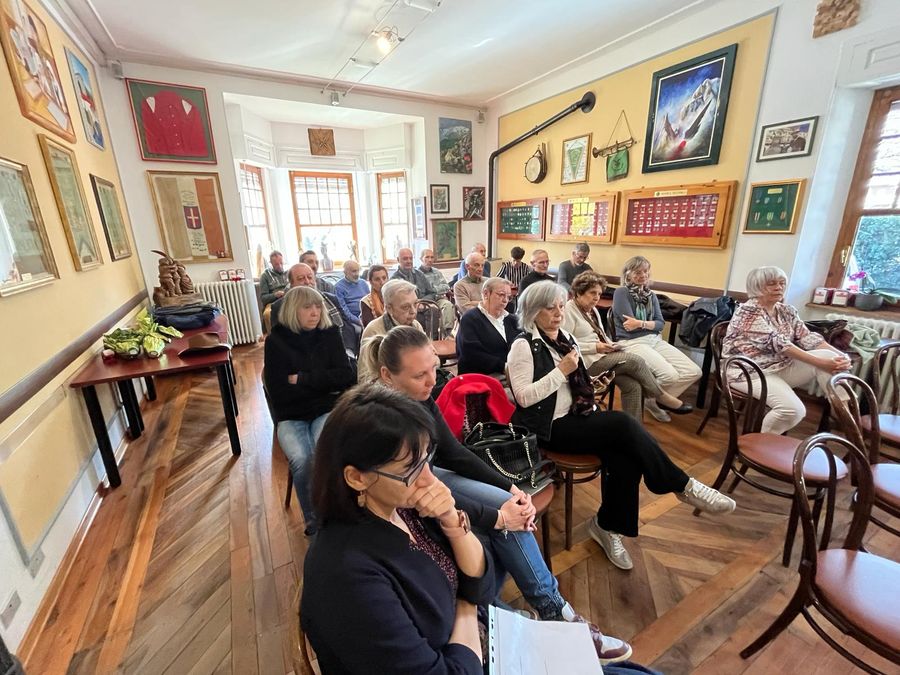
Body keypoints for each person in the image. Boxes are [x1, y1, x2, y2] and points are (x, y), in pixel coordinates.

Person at [363, 326, 634, 663]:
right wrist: (499, 516)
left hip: (431, 479)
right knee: (504, 520)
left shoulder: (419, 398)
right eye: (420, 374)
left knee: (510, 506)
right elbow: (421, 491)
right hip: (411, 495)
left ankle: (553, 611)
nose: (433, 380)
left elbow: (453, 453)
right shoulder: (380, 423)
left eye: (435, 367)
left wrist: (510, 487)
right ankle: (548, 615)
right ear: (388, 375)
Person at [508, 281, 735, 570]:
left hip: (576, 416)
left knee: (625, 456)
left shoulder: (564, 337)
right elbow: (524, 398)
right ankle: (681, 484)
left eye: (561, 306)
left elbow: (572, 379)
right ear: (532, 311)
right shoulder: (523, 346)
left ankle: (607, 527)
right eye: (549, 308)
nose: (558, 313)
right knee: (623, 423)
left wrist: (588, 384)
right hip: (549, 429)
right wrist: (560, 371)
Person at [301, 384, 494, 674]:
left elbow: (484, 581)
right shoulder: (346, 574)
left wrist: (452, 521)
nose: (429, 480)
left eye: (427, 458)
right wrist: (467, 605)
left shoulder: (404, 505)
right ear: (357, 478)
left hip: (475, 644)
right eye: (410, 468)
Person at [263, 286, 354, 532]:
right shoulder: (276, 342)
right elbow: (280, 393)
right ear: (293, 310)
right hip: (291, 415)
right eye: (307, 307)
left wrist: (302, 379)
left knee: (327, 453)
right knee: (303, 460)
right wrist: (324, 382)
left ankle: (340, 509)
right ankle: (314, 519)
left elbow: (346, 376)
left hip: (325, 409)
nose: (314, 313)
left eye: (317, 307)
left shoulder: (329, 333)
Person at [722, 266, 852, 434]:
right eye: (771, 284)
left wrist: (841, 356)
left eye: (782, 283)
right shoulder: (748, 312)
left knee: (831, 356)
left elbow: (807, 338)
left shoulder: (786, 311)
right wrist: (822, 363)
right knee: (793, 411)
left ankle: (844, 412)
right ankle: (760, 447)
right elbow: (779, 344)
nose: (779, 287)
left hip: (779, 367)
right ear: (757, 287)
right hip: (748, 372)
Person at [564, 272, 693, 421]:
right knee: (634, 360)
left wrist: (610, 344)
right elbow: (566, 344)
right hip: (584, 365)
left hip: (601, 357)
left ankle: (635, 430)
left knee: (634, 387)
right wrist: (596, 347)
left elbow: (599, 334)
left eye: (599, 294)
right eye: (592, 293)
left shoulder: (592, 310)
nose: (597, 297)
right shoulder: (569, 309)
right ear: (579, 292)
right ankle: (661, 397)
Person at [612, 256, 702, 423]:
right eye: (638, 272)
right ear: (628, 274)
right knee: (669, 375)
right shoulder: (621, 292)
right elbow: (628, 324)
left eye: (646, 271)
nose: (643, 275)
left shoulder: (651, 296)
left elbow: (660, 324)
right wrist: (648, 324)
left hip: (654, 339)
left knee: (694, 371)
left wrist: (641, 323)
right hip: (631, 342)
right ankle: (657, 400)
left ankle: (651, 401)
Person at [271, 263, 360, 357]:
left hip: (339, 351)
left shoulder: (331, 299)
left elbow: (347, 326)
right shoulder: (280, 307)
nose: (307, 282)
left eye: (310, 277)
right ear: (292, 284)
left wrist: (348, 351)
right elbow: (279, 342)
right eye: (301, 279)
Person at [358, 279, 425, 383]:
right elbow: (364, 377)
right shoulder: (373, 330)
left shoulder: (416, 326)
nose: (413, 311)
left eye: (415, 304)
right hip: (387, 393)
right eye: (405, 307)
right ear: (389, 308)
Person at [456, 278, 519, 376]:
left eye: (509, 297)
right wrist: (503, 367)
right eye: (501, 295)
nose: (505, 300)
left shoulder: (512, 320)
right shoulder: (469, 319)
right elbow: (471, 354)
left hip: (511, 373)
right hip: (479, 377)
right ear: (486, 294)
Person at [393, 247, 453, 336]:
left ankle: (432, 340)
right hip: (406, 309)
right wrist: (414, 304)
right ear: (398, 260)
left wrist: (422, 302)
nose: (409, 261)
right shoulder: (394, 280)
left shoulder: (419, 274)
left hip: (423, 305)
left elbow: (432, 292)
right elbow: (396, 302)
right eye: (405, 258)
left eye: (410, 258)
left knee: (433, 309)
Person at [418, 248, 457, 332]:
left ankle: (447, 332)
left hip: (439, 298)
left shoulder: (437, 272)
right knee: (433, 310)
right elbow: (422, 291)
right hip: (426, 300)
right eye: (427, 257)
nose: (430, 260)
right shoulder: (418, 274)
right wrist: (438, 289)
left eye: (432, 257)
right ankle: (432, 336)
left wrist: (432, 289)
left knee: (448, 305)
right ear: (421, 259)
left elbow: (446, 286)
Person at [259, 250, 289, 332]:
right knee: (267, 314)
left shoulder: (289, 272)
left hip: (288, 299)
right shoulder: (265, 275)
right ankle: (272, 337)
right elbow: (263, 298)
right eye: (276, 264)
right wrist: (275, 295)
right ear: (271, 263)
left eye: (281, 263)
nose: (280, 266)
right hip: (273, 302)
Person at [334, 259, 368, 325]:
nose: (357, 274)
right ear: (345, 272)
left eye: (358, 270)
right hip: (351, 320)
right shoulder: (338, 287)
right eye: (354, 271)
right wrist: (358, 321)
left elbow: (370, 301)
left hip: (366, 316)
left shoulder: (363, 283)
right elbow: (343, 310)